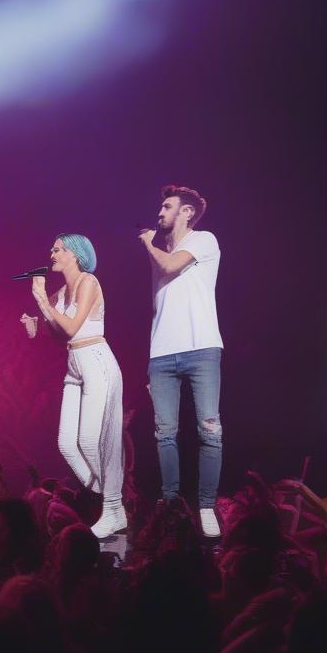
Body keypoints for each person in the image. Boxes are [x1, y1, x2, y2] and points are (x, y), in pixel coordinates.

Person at [21, 234, 126, 538]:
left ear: (74, 255)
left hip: (96, 360)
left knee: (92, 441)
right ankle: (113, 501)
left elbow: (71, 326)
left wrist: (41, 300)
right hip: (74, 364)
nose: (51, 253)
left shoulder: (88, 282)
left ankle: (113, 506)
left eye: (57, 249)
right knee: (67, 443)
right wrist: (35, 325)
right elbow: (58, 335)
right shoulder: (59, 293)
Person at [138, 184, 223, 538]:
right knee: (165, 434)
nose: (160, 212)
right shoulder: (162, 251)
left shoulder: (203, 240)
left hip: (201, 347)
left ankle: (206, 506)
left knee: (210, 431)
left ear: (186, 212)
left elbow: (172, 266)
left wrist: (146, 242)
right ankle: (171, 503)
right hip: (161, 354)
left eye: (167, 206)